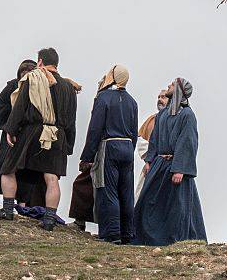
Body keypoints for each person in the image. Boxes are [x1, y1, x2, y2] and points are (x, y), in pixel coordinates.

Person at [0, 47, 77, 231]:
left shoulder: (33, 78)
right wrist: (68, 144)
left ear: (40, 62)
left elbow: (20, 107)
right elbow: (71, 120)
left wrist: (10, 129)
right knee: (52, 177)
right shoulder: (70, 88)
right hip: (58, 135)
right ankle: (49, 219)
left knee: (8, 168)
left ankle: (7, 210)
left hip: (33, 131)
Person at [131, 78, 206, 245]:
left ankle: (173, 240)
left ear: (179, 90)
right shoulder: (163, 114)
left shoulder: (187, 115)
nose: (168, 87)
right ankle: (146, 237)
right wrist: (150, 160)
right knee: (147, 201)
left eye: (172, 85)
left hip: (175, 167)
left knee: (177, 207)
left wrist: (180, 169)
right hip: (159, 165)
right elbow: (155, 138)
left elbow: (187, 142)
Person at [80, 65, 138, 244]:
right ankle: (127, 233)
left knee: (108, 191)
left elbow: (95, 128)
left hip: (109, 146)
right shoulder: (132, 101)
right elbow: (134, 132)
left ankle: (111, 234)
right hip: (128, 148)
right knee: (126, 193)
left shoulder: (103, 98)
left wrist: (87, 157)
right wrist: (130, 149)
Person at [0, 61, 45, 207]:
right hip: (11, 134)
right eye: (24, 73)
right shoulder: (12, 87)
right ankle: (7, 202)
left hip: (29, 135)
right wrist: (9, 126)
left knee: (25, 169)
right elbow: (0, 106)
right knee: (7, 167)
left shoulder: (40, 89)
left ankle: (22, 202)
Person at [135, 91, 170, 202]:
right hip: (151, 165)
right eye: (158, 97)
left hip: (168, 166)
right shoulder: (151, 120)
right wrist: (151, 156)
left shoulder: (176, 119)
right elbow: (140, 140)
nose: (159, 99)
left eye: (163, 97)